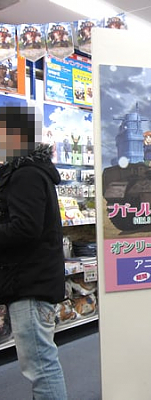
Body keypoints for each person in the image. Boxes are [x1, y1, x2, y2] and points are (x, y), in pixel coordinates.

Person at [0, 106, 68, 399]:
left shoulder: (25, 175)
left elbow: (25, 228)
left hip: (29, 283)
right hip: (31, 280)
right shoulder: (31, 171)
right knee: (40, 363)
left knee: (40, 366)